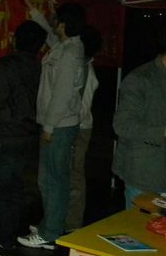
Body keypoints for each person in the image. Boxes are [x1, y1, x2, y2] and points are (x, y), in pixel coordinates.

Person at [18, 0, 87, 250]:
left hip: (59, 126)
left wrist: (48, 127)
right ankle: (51, 224)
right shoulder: (66, 45)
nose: (53, 22)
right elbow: (48, 33)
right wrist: (33, 9)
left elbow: (61, 94)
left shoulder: (69, 53)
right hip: (59, 124)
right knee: (52, 179)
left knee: (52, 180)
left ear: (64, 24)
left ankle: (50, 232)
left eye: (56, 19)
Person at [0, 20, 47, 256]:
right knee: (15, 187)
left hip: (4, 135)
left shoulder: (5, 67)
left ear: (15, 39)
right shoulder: (40, 67)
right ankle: (7, 233)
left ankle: (4, 242)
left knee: (1, 190)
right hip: (27, 134)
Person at [112, 24, 166, 209]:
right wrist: (163, 132)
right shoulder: (140, 79)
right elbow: (122, 124)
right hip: (145, 173)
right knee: (141, 226)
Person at [66, 25, 101, 232]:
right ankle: (66, 221)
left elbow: (80, 107)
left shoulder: (83, 67)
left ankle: (72, 223)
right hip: (81, 125)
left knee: (74, 176)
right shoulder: (86, 66)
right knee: (71, 174)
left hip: (78, 127)